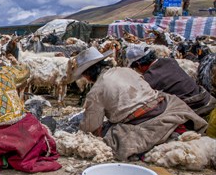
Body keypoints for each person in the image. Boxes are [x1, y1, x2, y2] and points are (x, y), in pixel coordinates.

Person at [73, 47, 208, 161]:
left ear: (88, 74)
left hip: (145, 122)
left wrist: (81, 128)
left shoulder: (96, 91)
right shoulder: (127, 70)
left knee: (110, 137)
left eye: (84, 75)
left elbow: (91, 125)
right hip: (166, 108)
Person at [127, 45, 216, 117]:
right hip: (206, 98)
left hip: (196, 108)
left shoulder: (149, 78)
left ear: (139, 65)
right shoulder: (170, 61)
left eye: (135, 67)